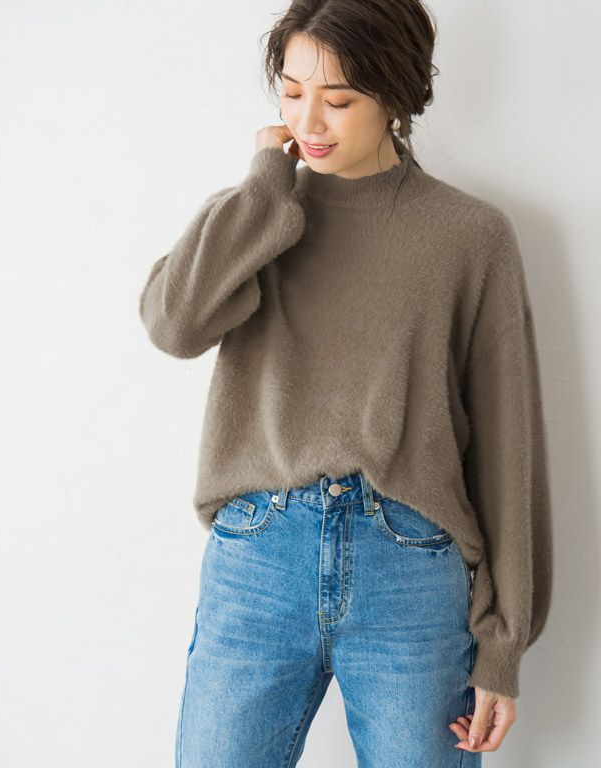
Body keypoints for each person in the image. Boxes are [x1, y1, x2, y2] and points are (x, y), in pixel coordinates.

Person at [138, 1, 553, 765]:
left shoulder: (468, 235)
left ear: (395, 96)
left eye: (338, 99)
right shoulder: (256, 216)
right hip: (258, 561)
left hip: (410, 569)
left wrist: (503, 647)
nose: (309, 121)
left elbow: (507, 444)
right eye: (292, 92)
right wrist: (266, 188)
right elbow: (173, 325)